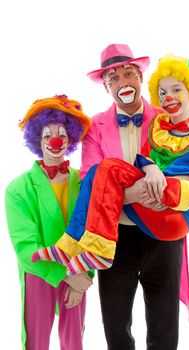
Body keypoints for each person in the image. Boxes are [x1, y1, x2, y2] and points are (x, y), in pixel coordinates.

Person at [33, 45, 189, 350]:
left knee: (165, 327)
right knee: (115, 327)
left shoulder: (165, 116)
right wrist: (134, 192)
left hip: (163, 237)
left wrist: (166, 186)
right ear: (106, 86)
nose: (122, 81)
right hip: (113, 235)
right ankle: (75, 245)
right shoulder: (95, 127)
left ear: (140, 77)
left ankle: (69, 244)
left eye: (129, 73)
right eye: (113, 77)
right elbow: (91, 177)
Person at [5, 95, 94, 350]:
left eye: (62, 135)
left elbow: (95, 233)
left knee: (74, 340)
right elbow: (26, 248)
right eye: (47, 136)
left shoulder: (84, 181)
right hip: (41, 274)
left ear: (70, 140)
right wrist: (67, 275)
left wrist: (84, 274)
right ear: (38, 140)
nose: (55, 141)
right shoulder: (18, 189)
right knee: (36, 341)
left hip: (78, 270)